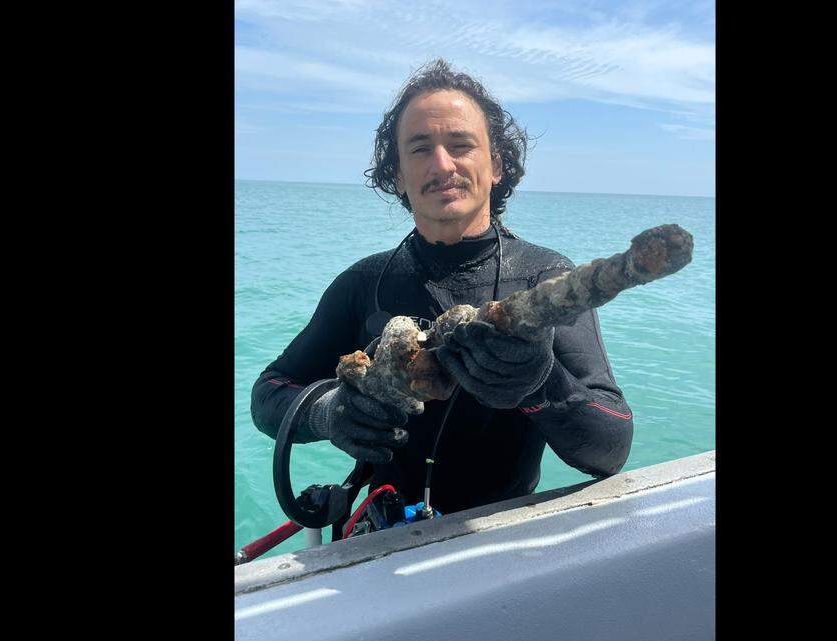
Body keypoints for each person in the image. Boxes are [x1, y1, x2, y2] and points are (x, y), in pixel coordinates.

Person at [250, 59, 633, 515]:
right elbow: (268, 393)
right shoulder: (363, 282)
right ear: (397, 175)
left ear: (497, 166)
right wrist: (329, 412)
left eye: (461, 145)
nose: (441, 164)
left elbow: (610, 451)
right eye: (419, 148)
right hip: (377, 539)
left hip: (499, 535)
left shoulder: (543, 277)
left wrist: (538, 381)